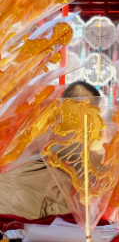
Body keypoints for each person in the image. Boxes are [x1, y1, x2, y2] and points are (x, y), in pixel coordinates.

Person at [0, 81, 100, 219]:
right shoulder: (56, 128)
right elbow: (82, 165)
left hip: (21, 203)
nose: (96, 117)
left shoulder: (50, 122)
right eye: (93, 110)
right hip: (23, 206)